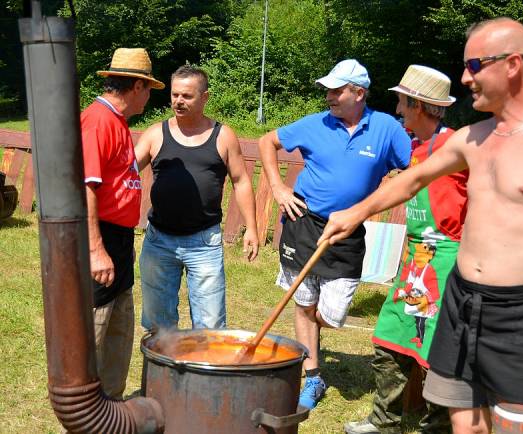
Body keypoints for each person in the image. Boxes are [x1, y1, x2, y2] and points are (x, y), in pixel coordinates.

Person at [321, 17, 523, 434]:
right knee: (465, 423)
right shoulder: (472, 137)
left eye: (474, 65)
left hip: (521, 313)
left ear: (513, 65)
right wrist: (355, 213)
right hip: (459, 300)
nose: (465, 78)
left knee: (518, 425)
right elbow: (414, 179)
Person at [258, 59, 412, 409]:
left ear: (359, 93)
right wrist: (279, 187)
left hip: (347, 232)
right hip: (304, 223)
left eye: (336, 90)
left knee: (331, 313)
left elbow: (415, 167)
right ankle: (312, 376)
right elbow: (268, 142)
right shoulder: (314, 125)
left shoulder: (386, 129)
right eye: (327, 89)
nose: (329, 96)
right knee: (302, 301)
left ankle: (309, 338)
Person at [345, 65, 467, 434]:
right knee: (393, 335)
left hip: (447, 260)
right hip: (416, 257)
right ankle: (385, 422)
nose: (398, 110)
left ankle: (437, 427)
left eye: (401, 102)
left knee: (437, 348)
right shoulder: (413, 148)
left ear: (417, 104)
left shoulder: (457, 146)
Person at [136, 65, 259, 331]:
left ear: (205, 97)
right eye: (175, 95)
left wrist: (251, 227)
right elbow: (126, 170)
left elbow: (241, 181)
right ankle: (163, 373)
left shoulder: (223, 135)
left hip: (204, 242)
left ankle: (202, 372)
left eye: (187, 96)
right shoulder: (156, 134)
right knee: (158, 325)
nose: (178, 101)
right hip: (159, 241)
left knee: (210, 325)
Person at [81, 47, 164, 399]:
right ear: (136, 87)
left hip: (118, 239)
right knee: (95, 330)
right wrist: (96, 248)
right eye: (148, 89)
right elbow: (84, 187)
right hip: (99, 238)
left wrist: (120, 243)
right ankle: (85, 406)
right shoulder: (98, 120)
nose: (149, 97)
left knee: (118, 330)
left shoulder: (118, 121)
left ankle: (110, 406)